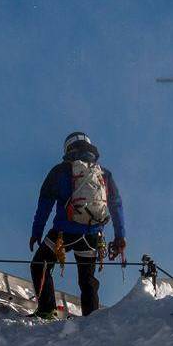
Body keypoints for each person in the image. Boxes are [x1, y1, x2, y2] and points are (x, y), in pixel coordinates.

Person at [30, 131, 125, 318]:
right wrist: (120, 236)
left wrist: (37, 231)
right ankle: (92, 320)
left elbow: (45, 204)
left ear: (68, 148)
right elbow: (116, 204)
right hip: (92, 236)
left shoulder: (60, 171)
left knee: (40, 264)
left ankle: (46, 310)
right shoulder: (103, 174)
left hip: (63, 234)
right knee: (87, 280)